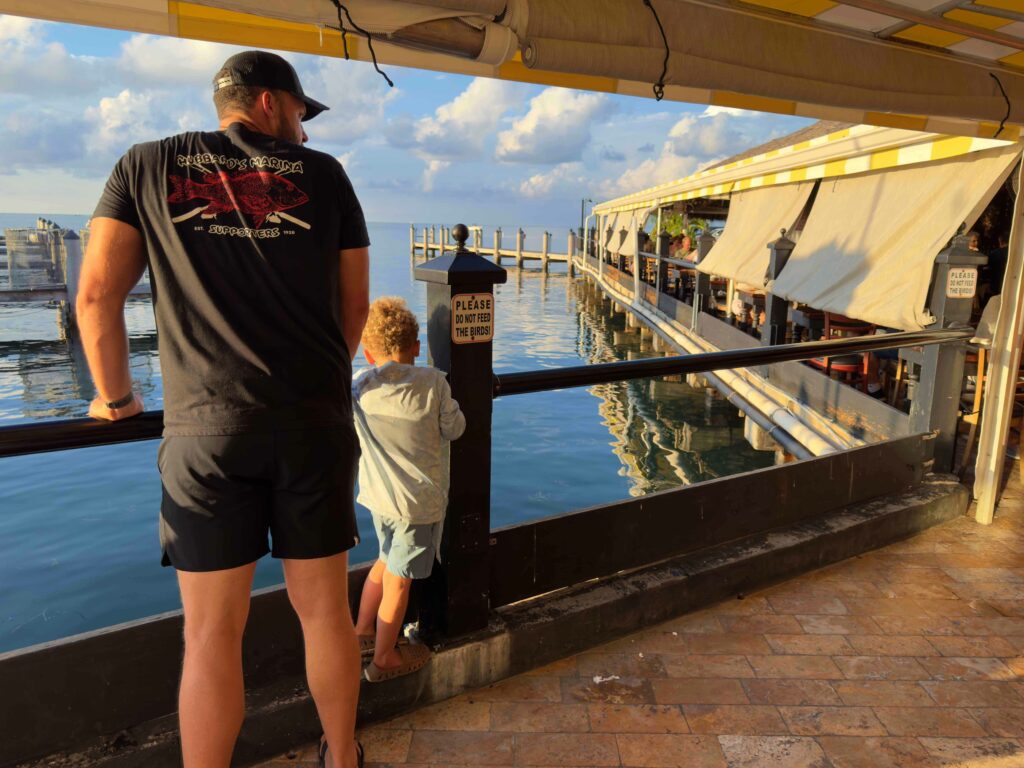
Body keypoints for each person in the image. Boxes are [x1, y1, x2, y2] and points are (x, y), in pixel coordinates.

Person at [77, 50, 369, 768]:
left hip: (205, 432)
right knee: (326, 614)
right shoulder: (326, 176)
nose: (304, 130)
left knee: (211, 634)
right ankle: (341, 758)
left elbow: (94, 296)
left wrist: (116, 397)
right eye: (302, 112)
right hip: (311, 425)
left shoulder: (144, 166)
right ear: (270, 102)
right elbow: (354, 308)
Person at [352, 297, 466, 682]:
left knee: (385, 560)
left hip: (378, 498)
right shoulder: (434, 382)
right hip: (416, 504)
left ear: (368, 352)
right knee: (400, 580)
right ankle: (384, 658)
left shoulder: (359, 389)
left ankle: (362, 633)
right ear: (417, 346)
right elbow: (455, 429)